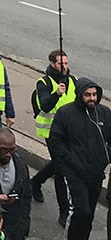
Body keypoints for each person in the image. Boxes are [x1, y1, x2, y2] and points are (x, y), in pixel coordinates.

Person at [46, 77, 111, 238]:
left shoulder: (103, 113)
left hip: (96, 172)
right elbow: (56, 140)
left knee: (89, 214)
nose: (92, 98)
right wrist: (69, 160)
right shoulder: (66, 113)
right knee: (80, 211)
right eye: (88, 95)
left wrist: (105, 157)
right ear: (80, 94)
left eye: (94, 94)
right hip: (74, 172)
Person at [30, 49, 75, 216]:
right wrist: (56, 94)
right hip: (52, 132)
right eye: (60, 63)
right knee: (61, 170)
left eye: (66, 63)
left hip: (69, 132)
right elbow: (45, 105)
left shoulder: (74, 81)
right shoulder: (44, 82)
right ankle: (64, 211)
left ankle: (35, 182)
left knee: (58, 164)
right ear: (52, 64)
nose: (64, 66)